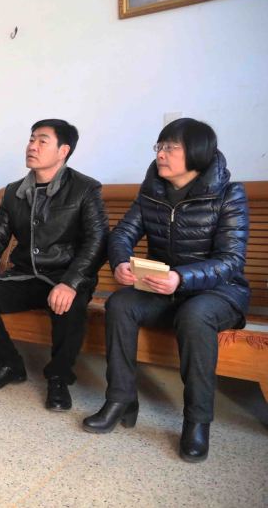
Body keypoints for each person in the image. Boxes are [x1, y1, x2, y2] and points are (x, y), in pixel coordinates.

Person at [83, 118, 249, 462]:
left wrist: (181, 277)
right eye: (159, 146)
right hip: (164, 288)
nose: (161, 154)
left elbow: (231, 260)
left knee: (195, 314)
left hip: (220, 293)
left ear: (197, 153)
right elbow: (123, 234)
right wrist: (121, 263)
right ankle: (120, 400)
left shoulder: (229, 194)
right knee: (120, 304)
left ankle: (197, 421)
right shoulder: (152, 192)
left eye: (171, 147)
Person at [0, 119, 108, 411]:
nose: (32, 146)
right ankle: (9, 364)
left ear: (63, 151)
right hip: (25, 275)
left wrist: (71, 283)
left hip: (65, 276)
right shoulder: (14, 192)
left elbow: (98, 241)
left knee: (70, 306)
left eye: (42, 141)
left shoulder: (84, 188)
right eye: (31, 139)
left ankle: (59, 377)